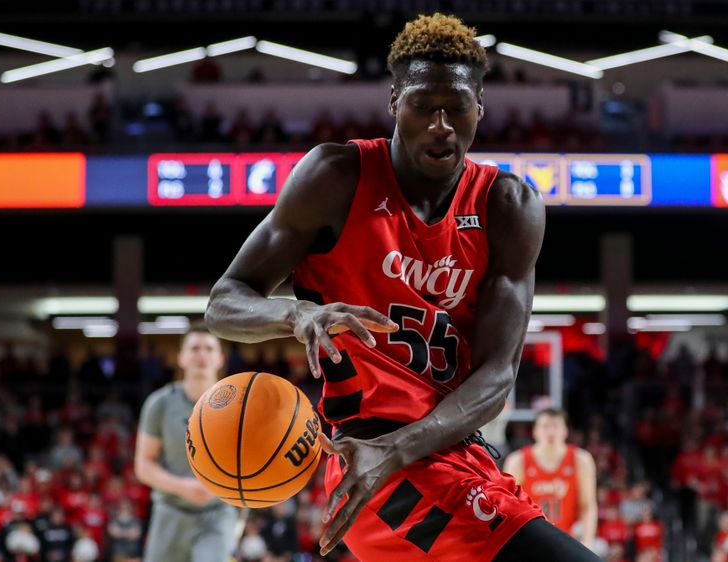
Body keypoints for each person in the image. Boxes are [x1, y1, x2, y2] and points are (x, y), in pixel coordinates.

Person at [207, 12, 600, 562]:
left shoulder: (508, 205)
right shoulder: (335, 177)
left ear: (479, 110)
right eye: (422, 106)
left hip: (442, 452)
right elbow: (224, 301)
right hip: (374, 462)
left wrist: (401, 450)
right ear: (394, 102)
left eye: (456, 107)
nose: (440, 124)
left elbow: (497, 376)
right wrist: (296, 316)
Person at [135, 325, 238, 562]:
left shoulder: (239, 406)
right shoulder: (159, 403)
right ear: (181, 358)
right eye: (194, 348)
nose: (202, 355)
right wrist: (184, 487)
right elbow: (143, 465)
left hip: (217, 512)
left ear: (220, 357)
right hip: (170, 509)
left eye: (209, 348)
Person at [503, 408, 598, 548]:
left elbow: (588, 506)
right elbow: (508, 508)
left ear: (565, 431)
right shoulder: (518, 461)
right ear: (534, 431)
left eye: (556, 426)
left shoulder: (581, 459)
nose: (550, 432)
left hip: (567, 538)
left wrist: (588, 541)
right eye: (545, 426)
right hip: (531, 540)